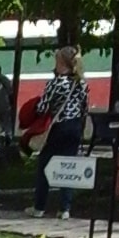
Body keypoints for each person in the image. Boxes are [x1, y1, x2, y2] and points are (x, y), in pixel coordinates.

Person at [31, 47, 89, 218]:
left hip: (58, 127)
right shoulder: (82, 83)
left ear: (62, 63)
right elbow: (85, 108)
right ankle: (65, 209)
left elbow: (42, 107)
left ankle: (39, 207)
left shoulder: (55, 83)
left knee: (45, 164)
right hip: (75, 127)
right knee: (68, 167)